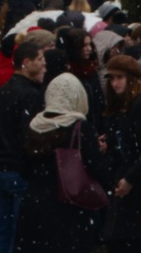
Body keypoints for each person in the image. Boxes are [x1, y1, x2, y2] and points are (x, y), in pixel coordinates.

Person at [18, 72, 113, 253]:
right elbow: (98, 168)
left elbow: (23, 168)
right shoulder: (78, 127)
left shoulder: (34, 125)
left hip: (34, 205)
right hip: (70, 205)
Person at [0, 38, 49, 253]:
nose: (44, 64)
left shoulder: (2, 92)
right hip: (19, 171)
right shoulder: (29, 95)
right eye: (40, 59)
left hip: (0, 170)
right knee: (19, 231)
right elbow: (28, 135)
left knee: (5, 229)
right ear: (26, 62)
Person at [99, 55, 141, 253]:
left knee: (135, 239)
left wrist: (131, 178)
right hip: (129, 177)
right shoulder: (123, 104)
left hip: (140, 183)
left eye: (120, 77)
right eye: (112, 78)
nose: (115, 83)